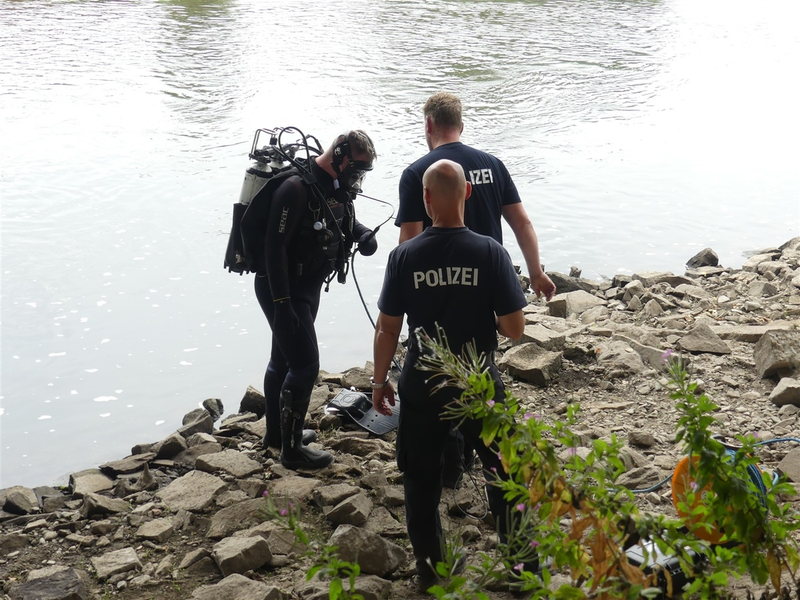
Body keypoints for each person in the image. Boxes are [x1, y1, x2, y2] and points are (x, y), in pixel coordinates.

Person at [371, 159, 529, 590]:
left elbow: (388, 327)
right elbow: (515, 330)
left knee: (421, 481)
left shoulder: (403, 255)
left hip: (423, 384)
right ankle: (522, 570)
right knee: (505, 473)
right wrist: (484, 317)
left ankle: (432, 572)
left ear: (425, 199)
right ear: (469, 194)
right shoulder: (491, 252)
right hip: (478, 382)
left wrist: (379, 381)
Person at [396, 92, 557, 488]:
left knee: (436, 369)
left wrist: (401, 297)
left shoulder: (419, 172)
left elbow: (408, 244)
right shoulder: (492, 165)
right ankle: (478, 454)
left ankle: (450, 466)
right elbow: (521, 223)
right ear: (461, 124)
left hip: (435, 292)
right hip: (489, 285)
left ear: (429, 125)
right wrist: (535, 272)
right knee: (480, 363)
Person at [255, 130, 378, 470]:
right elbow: (273, 247)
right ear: (339, 155)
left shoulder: (333, 186)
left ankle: (277, 436)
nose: (358, 177)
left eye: (363, 171)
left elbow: (338, 217)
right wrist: (281, 304)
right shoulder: (294, 188)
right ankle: (292, 451)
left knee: (282, 361)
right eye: (356, 168)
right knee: (305, 366)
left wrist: (362, 233)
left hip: (306, 288)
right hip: (283, 289)